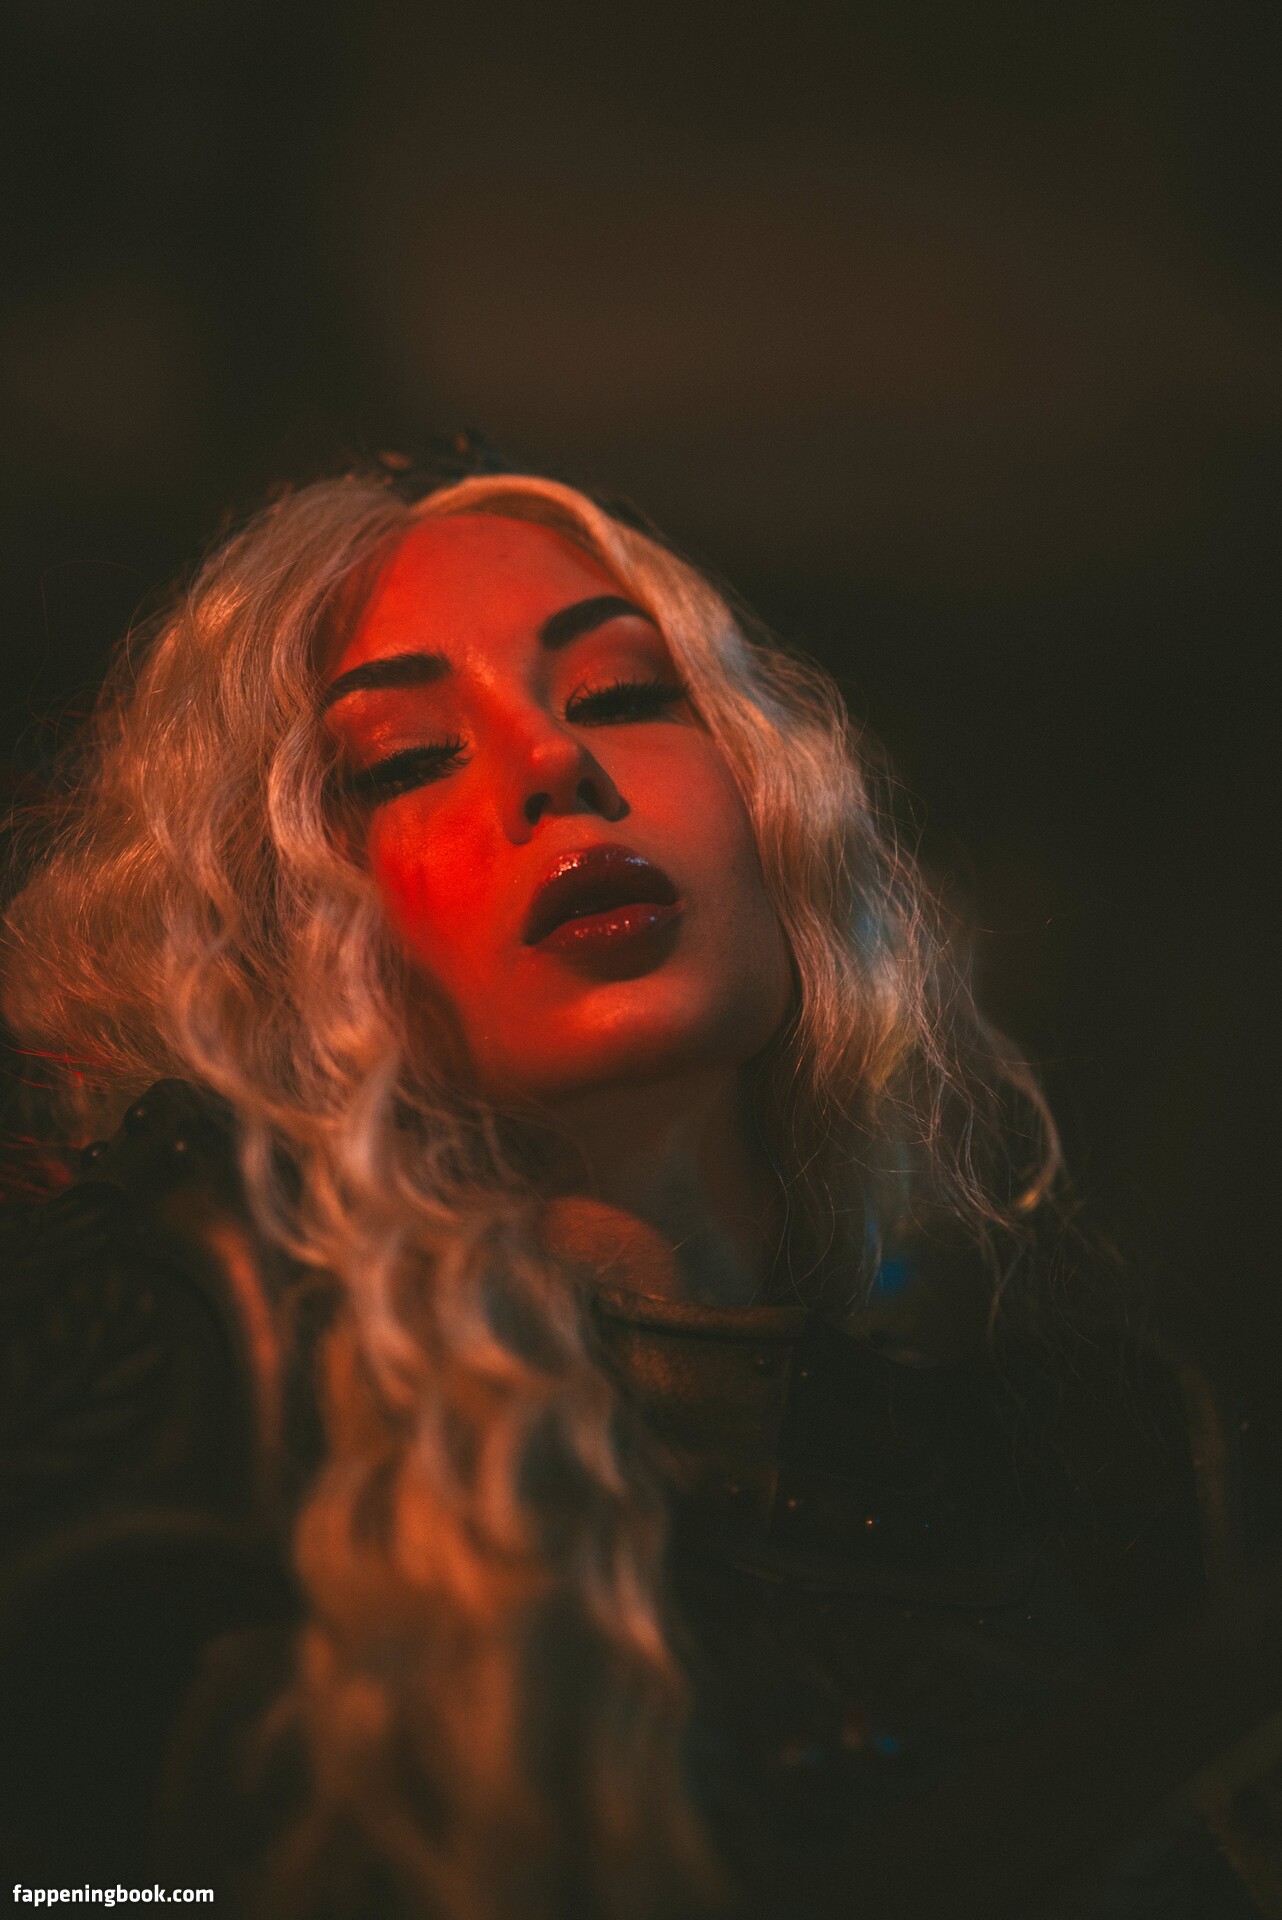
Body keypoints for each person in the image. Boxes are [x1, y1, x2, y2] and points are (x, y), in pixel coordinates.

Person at [0, 452, 1253, 1918]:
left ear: (770, 794)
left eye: (619, 694)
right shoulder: (178, 1381)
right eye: (402, 760)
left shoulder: (1083, 1476)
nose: (555, 764)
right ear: (273, 937)